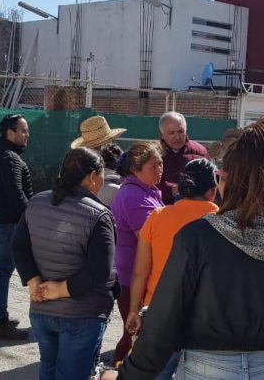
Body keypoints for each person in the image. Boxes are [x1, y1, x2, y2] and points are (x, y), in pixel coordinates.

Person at [102, 121, 264, 380]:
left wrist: (126, 375)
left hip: (208, 368)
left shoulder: (196, 237)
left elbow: (163, 323)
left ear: (226, 182)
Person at [11, 147, 119, 380]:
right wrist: (60, 290)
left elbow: (19, 247)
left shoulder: (36, 202)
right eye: (102, 173)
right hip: (82, 315)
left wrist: (34, 282)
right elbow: (100, 271)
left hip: (41, 310)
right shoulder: (99, 215)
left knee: (48, 370)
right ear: (92, 176)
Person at [126, 158, 219, 379]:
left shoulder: (158, 217)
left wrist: (133, 310)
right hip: (204, 319)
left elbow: (140, 271)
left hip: (158, 313)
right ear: (212, 191)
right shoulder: (222, 221)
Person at [111, 142, 164, 365]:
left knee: (133, 335)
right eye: (153, 166)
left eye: (161, 163)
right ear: (135, 169)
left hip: (135, 275)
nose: (159, 169)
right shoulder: (135, 197)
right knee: (136, 336)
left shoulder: (144, 191)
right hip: (134, 277)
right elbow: (152, 239)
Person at [0, 114, 32, 339]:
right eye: (23, 131)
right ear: (10, 133)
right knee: (2, 271)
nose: (26, 135)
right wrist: (32, 218)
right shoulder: (9, 158)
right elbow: (17, 195)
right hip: (7, 223)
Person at [158, 111, 209, 205]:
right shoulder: (154, 154)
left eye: (180, 131)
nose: (177, 137)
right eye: (171, 133)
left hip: (195, 210)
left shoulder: (200, 152)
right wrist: (171, 190)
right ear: (162, 134)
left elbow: (210, 182)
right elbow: (145, 184)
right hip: (162, 210)